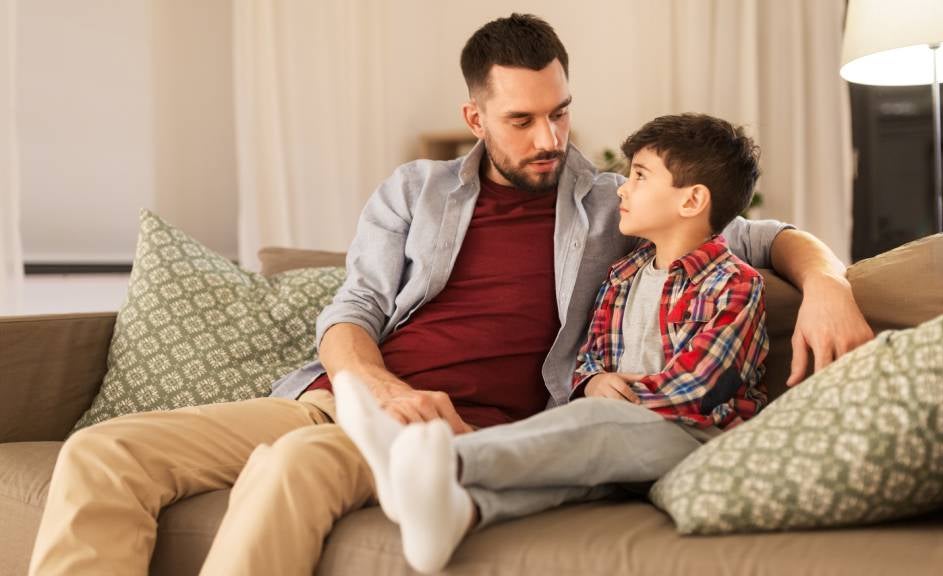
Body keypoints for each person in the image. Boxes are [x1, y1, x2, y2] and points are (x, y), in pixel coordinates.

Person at [28, 13, 872, 576]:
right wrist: (378, 388)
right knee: (105, 450)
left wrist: (829, 280)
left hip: (461, 429)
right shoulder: (413, 191)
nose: (549, 138)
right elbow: (352, 309)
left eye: (560, 113)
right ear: (475, 118)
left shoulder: (615, 203)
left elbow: (753, 233)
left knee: (294, 469)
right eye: (521, 121)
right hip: (344, 400)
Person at [335, 112, 771, 573]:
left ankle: (442, 457)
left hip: (696, 436)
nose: (622, 188)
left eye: (640, 177)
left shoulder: (732, 284)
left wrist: (612, 403)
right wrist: (592, 381)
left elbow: (698, 387)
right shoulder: (623, 275)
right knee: (566, 478)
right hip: (619, 439)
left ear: (692, 201)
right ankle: (460, 513)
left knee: (596, 427)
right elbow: (592, 354)